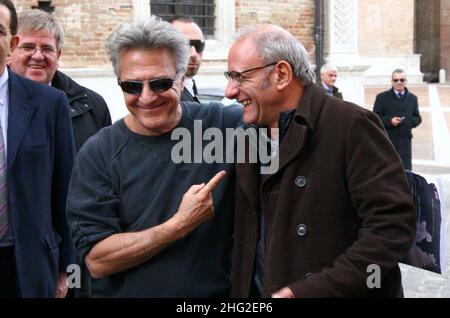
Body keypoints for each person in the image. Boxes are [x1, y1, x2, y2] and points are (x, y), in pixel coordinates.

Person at [224, 24, 416, 297]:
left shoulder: (351, 125)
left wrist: (315, 290)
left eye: (239, 77)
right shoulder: (249, 137)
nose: (230, 91)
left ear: (281, 74)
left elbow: (391, 229)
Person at [66, 17, 242, 297]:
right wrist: (178, 225)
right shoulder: (98, 153)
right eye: (132, 86)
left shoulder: (223, 128)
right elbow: (98, 261)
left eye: (160, 83)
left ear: (182, 77)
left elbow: (296, 123)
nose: (147, 97)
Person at [0, 0, 75, 298]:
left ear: (11, 42)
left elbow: (64, 190)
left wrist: (64, 268)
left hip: (27, 265)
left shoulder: (49, 103)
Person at [7, 9, 111, 151]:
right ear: (9, 52)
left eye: (47, 49)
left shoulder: (92, 106)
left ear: (58, 55)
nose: (38, 56)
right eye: (28, 47)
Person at [373, 69, 422, 170]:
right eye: (396, 80)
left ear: (406, 81)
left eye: (402, 80)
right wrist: (390, 121)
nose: (399, 82)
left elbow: (417, 118)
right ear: (391, 81)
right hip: (388, 140)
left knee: (406, 171)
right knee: (389, 170)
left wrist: (407, 122)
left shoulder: (412, 98)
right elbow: (375, 118)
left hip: (405, 141)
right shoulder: (382, 97)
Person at [169, 16, 205, 103]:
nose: (193, 54)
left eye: (199, 45)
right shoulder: (164, 96)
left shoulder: (189, 84)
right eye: (184, 45)